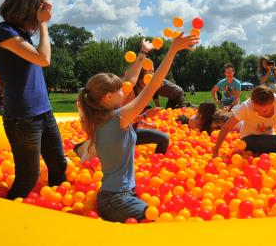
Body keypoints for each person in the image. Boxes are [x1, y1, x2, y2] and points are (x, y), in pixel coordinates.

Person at [77, 34, 198, 223]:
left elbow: (130, 79)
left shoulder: (97, 117)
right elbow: (154, 85)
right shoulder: (118, 118)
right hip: (117, 200)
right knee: (160, 223)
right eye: (119, 90)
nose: (124, 90)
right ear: (109, 97)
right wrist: (172, 50)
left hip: (113, 196)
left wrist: (142, 52)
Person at [0, 0, 67, 199]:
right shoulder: (3, 33)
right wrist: (44, 24)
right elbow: (44, 59)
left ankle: (56, 211)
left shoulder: (23, 36)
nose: (43, 13)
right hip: (23, 118)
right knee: (28, 177)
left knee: (58, 164)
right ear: (27, 9)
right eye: (40, 8)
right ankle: (9, 217)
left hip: (44, 112)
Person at [212, 85, 276, 157]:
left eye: (264, 111)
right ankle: (266, 157)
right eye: (255, 110)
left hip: (268, 139)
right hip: (249, 140)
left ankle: (261, 156)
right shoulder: (246, 107)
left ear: (272, 103)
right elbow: (227, 127)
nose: (259, 114)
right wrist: (216, 149)